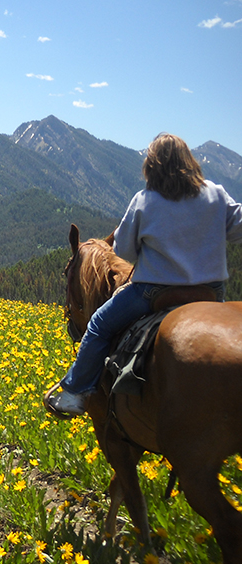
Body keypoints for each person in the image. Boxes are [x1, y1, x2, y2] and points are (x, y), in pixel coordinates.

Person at [46, 133, 242, 417]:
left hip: (154, 292)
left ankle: (74, 393)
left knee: (99, 324)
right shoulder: (216, 193)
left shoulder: (145, 199)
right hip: (210, 293)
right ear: (190, 162)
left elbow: (124, 250)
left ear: (152, 166)